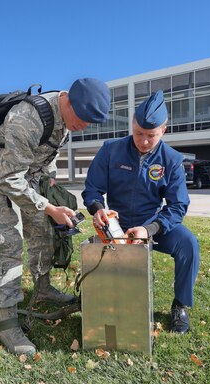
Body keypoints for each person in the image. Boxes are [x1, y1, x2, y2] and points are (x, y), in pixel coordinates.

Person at [0, 78, 111, 355]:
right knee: (8, 245)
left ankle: (42, 288)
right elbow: (9, 179)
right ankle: (7, 323)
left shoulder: (66, 120)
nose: (85, 126)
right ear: (70, 101)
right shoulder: (25, 119)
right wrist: (48, 207)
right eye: (84, 118)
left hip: (30, 179)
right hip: (2, 180)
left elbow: (47, 154)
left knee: (43, 232)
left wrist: (51, 188)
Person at [82, 90, 199, 335]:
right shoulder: (110, 150)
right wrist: (98, 209)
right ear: (132, 124)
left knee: (188, 244)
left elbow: (178, 206)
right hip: (117, 226)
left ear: (164, 130)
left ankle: (180, 305)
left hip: (152, 226)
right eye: (139, 133)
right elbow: (92, 189)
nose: (143, 141)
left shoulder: (171, 160)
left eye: (151, 136)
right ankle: (101, 296)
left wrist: (149, 229)